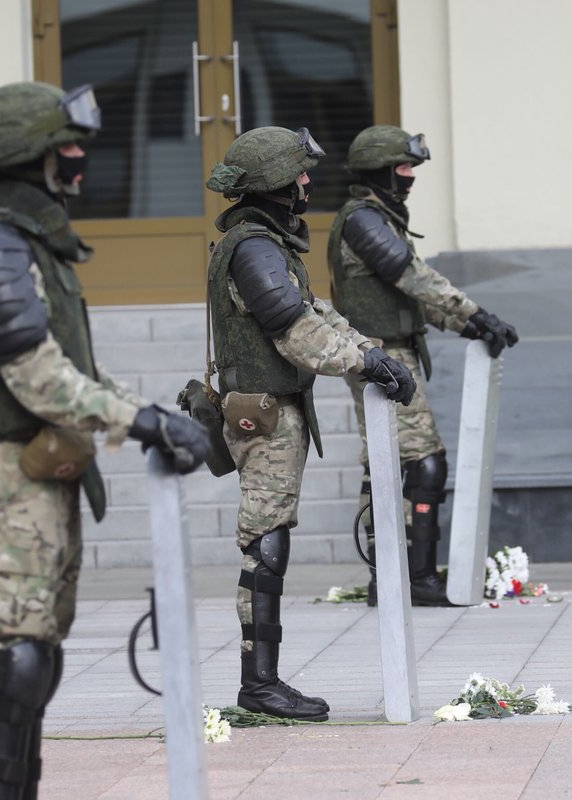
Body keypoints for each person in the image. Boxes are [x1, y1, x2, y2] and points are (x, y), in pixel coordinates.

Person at [0, 80, 209, 800]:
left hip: (44, 478)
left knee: (38, 661)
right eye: (67, 147)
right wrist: (138, 422)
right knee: (12, 663)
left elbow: (78, 370)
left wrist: (149, 410)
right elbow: (34, 375)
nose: (80, 159)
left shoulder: (32, 243)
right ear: (32, 159)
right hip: (7, 481)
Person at [204, 126, 416, 721]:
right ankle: (260, 685)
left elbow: (317, 312)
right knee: (265, 544)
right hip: (264, 416)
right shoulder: (254, 248)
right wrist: (364, 359)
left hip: (276, 410)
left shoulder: (268, 244)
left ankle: (264, 680)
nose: (306, 183)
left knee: (272, 538)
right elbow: (295, 330)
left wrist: (369, 350)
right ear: (272, 183)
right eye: (297, 174)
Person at [327, 125, 519, 607]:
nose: (411, 177)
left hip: (388, 351)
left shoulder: (381, 217)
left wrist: (472, 327)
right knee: (421, 464)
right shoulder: (364, 220)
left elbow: (407, 298)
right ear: (380, 171)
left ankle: (393, 575)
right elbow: (413, 279)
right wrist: (475, 314)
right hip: (379, 355)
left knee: (391, 465)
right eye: (404, 168)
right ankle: (413, 578)